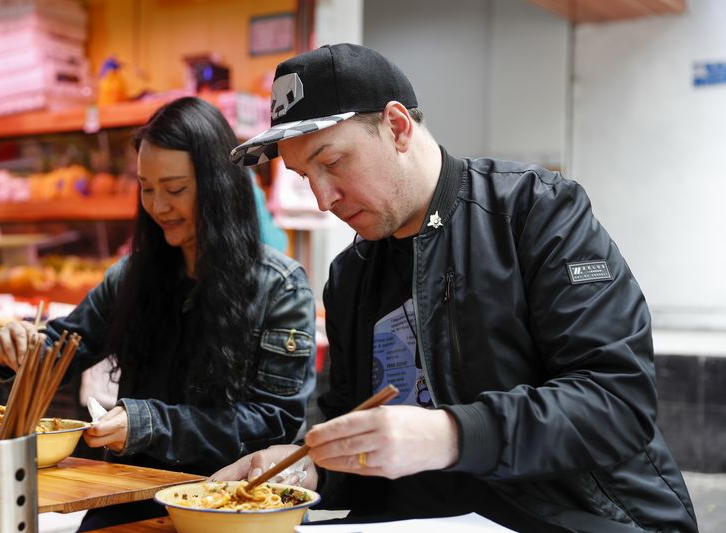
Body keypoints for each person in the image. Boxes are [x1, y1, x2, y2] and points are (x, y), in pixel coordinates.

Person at [214, 44, 698, 532]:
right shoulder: (350, 276)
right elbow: (352, 426)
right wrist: (309, 465)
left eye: (333, 162)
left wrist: (450, 435)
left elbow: (617, 400)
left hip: (577, 518)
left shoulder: (534, 211)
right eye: (304, 176)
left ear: (397, 126)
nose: (323, 199)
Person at [0, 96, 316, 530]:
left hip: (225, 505)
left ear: (218, 186)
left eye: (175, 189)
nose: (158, 206)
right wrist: (16, 352)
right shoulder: (132, 276)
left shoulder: (280, 287)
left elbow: (275, 421)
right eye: (146, 188)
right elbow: (64, 350)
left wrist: (151, 423)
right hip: (129, 498)